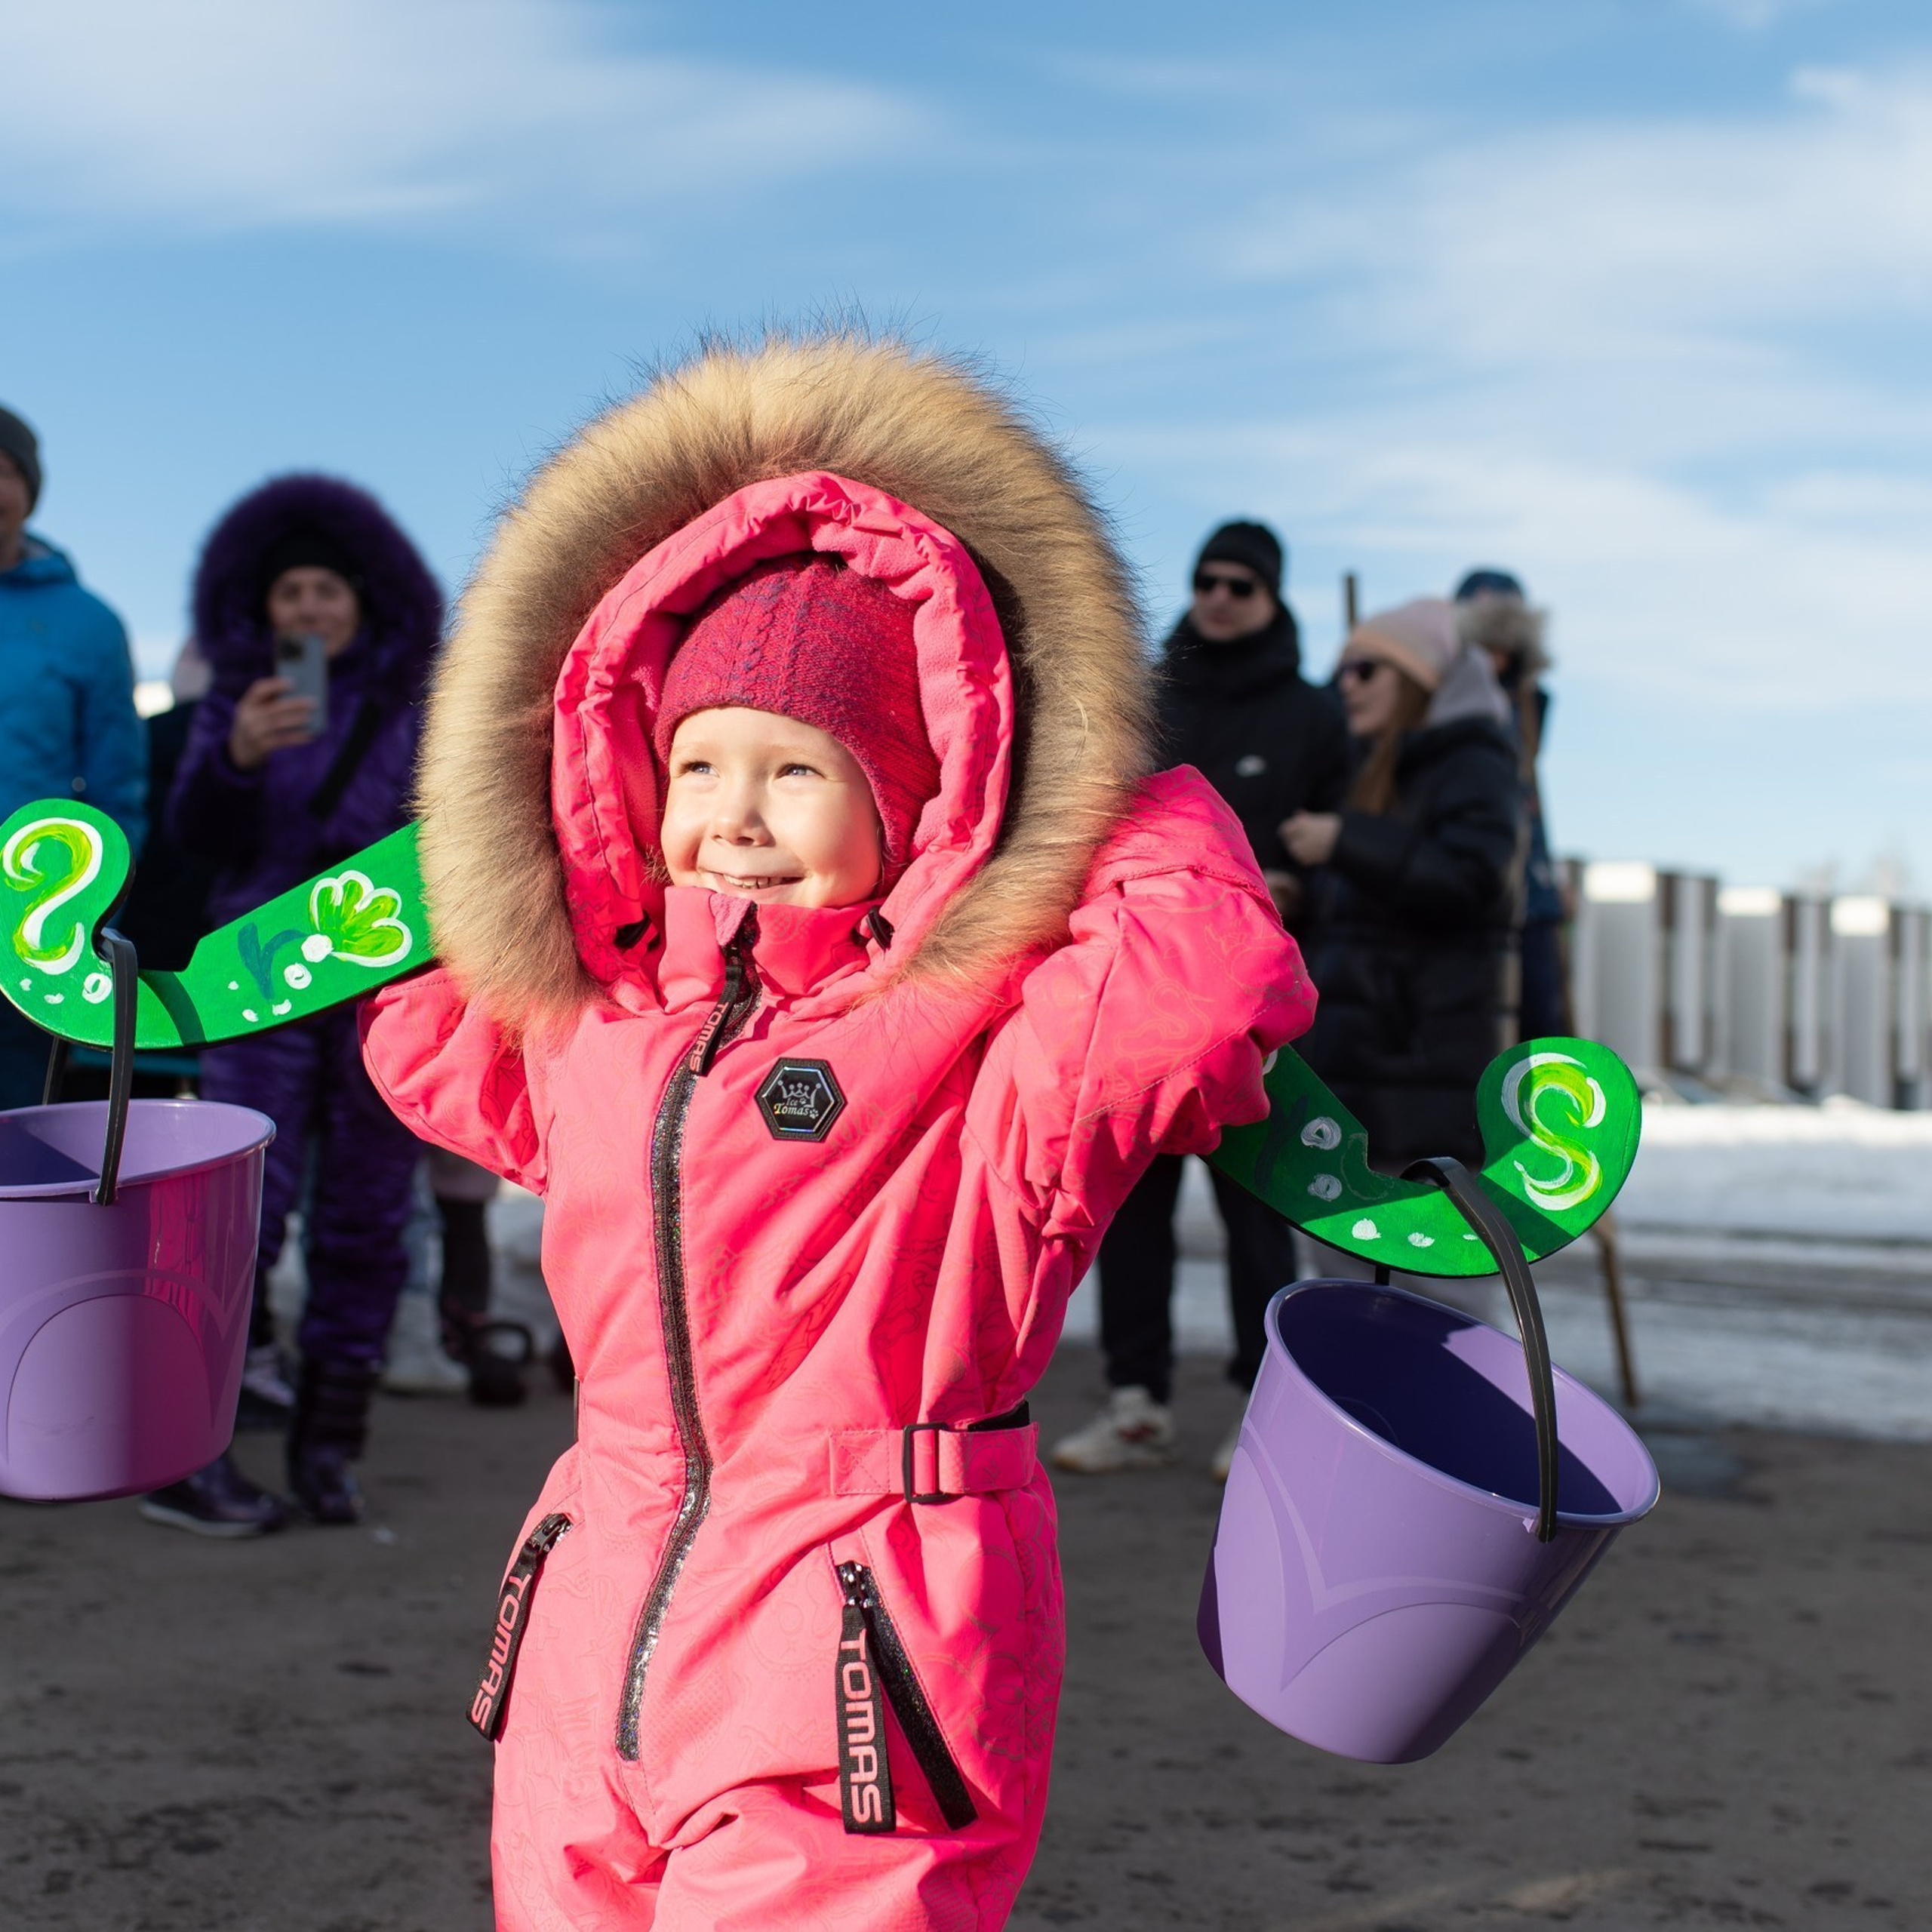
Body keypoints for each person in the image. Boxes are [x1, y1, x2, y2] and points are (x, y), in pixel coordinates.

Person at [359, 334, 1314, 1929]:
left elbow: (1198, 995)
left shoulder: (975, 1050)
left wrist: (1092, 780)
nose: (732, 810)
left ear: (921, 796)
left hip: (863, 1638)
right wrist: (505, 818)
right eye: (695, 762)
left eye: (797, 769)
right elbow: (425, 1018)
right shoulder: (598, 1026)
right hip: (596, 1625)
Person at [140, 475, 441, 1536]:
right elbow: (193, 839)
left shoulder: (421, 711)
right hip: (257, 977)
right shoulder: (240, 699)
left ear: (364, 601)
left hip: (382, 984)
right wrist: (232, 761)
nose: (309, 609)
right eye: (290, 594)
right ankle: (191, 1452)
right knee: (238, 1211)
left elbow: (443, 848)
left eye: (326, 591)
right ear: (261, 609)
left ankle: (328, 1453)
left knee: (366, 1216)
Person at [1051, 520, 1347, 1479]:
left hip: (1256, 1009)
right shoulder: (1151, 696)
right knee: (1130, 1206)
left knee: (1257, 1214)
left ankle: (1267, 1407)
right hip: (1143, 993)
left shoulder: (1312, 713)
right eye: (1206, 579)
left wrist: (1306, 886)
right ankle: (1137, 1399)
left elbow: (1342, 848)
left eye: (1241, 584)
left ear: (1270, 597)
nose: (1218, 596)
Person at [1281, 597, 1520, 1178]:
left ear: (1418, 679)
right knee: (1346, 1264)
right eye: (1341, 670)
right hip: (1357, 1077)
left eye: (1366, 670)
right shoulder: (1369, 766)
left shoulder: (1473, 762)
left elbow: (1469, 881)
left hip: (1419, 1080)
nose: (1347, 685)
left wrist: (1346, 841)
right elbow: (1370, 917)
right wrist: (1301, 894)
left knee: (1429, 1262)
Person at [0, 405, 146, 1111]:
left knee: (20, 1123)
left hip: (30, 917)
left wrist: (88, 905)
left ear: (27, 490)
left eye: (3, 471)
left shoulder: (88, 623)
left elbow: (119, 785)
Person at [1454, 568, 1567, 1038]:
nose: (1492, 655)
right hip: (1471, 890)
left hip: (1532, 894)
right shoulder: (1446, 704)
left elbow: (1529, 801)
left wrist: (1550, 874)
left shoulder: (1527, 705)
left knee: (1542, 1035)